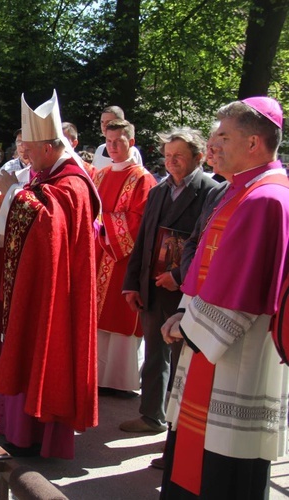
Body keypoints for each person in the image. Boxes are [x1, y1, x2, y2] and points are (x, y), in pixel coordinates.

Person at [159, 97, 289, 499]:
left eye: (224, 136)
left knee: (222, 468)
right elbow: (203, 265)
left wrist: (187, 324)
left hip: (237, 354)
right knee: (197, 456)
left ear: (254, 143)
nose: (214, 145)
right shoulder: (239, 191)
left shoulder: (266, 198)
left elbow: (243, 287)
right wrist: (183, 313)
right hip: (209, 341)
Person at [0, 91, 100, 458]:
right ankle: (14, 428)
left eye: (31, 150)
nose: (27, 156)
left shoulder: (74, 182)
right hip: (30, 282)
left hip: (56, 292)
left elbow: (50, 223)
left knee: (44, 350)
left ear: (51, 149)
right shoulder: (46, 175)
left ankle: (37, 434)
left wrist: (12, 196)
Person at [119, 127, 218, 435]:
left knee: (180, 362)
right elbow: (144, 239)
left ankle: (178, 429)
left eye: (179, 156)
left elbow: (205, 245)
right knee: (153, 357)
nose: (171, 161)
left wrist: (178, 276)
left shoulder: (210, 191)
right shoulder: (159, 190)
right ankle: (151, 416)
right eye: (167, 156)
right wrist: (132, 282)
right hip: (151, 285)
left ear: (198, 157)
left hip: (182, 291)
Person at [93, 119, 157, 394]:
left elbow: (140, 221)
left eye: (119, 141)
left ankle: (121, 382)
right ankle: (94, 377)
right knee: (95, 321)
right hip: (96, 255)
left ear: (131, 142)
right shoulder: (100, 174)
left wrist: (101, 222)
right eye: (109, 142)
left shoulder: (142, 178)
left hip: (123, 260)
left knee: (120, 319)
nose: (113, 147)